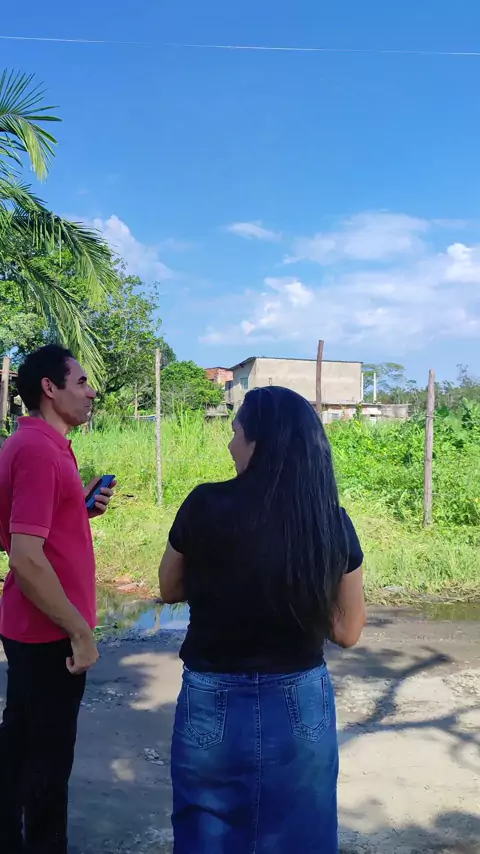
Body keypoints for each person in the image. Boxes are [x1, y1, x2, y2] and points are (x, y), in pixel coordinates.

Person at [159, 385, 366, 854]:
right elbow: (348, 631)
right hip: (300, 701)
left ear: (259, 441)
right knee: (302, 833)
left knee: (206, 832)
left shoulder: (204, 503)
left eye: (236, 433)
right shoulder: (328, 520)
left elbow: (169, 587)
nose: (230, 445)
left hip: (211, 697)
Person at [0, 344, 115, 854]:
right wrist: (80, 631)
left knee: (21, 745)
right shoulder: (39, 451)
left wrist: (78, 508)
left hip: (34, 627)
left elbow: (31, 531)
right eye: (81, 381)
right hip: (49, 633)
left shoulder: (40, 444)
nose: (92, 392)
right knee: (47, 763)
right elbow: (26, 558)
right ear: (50, 388)